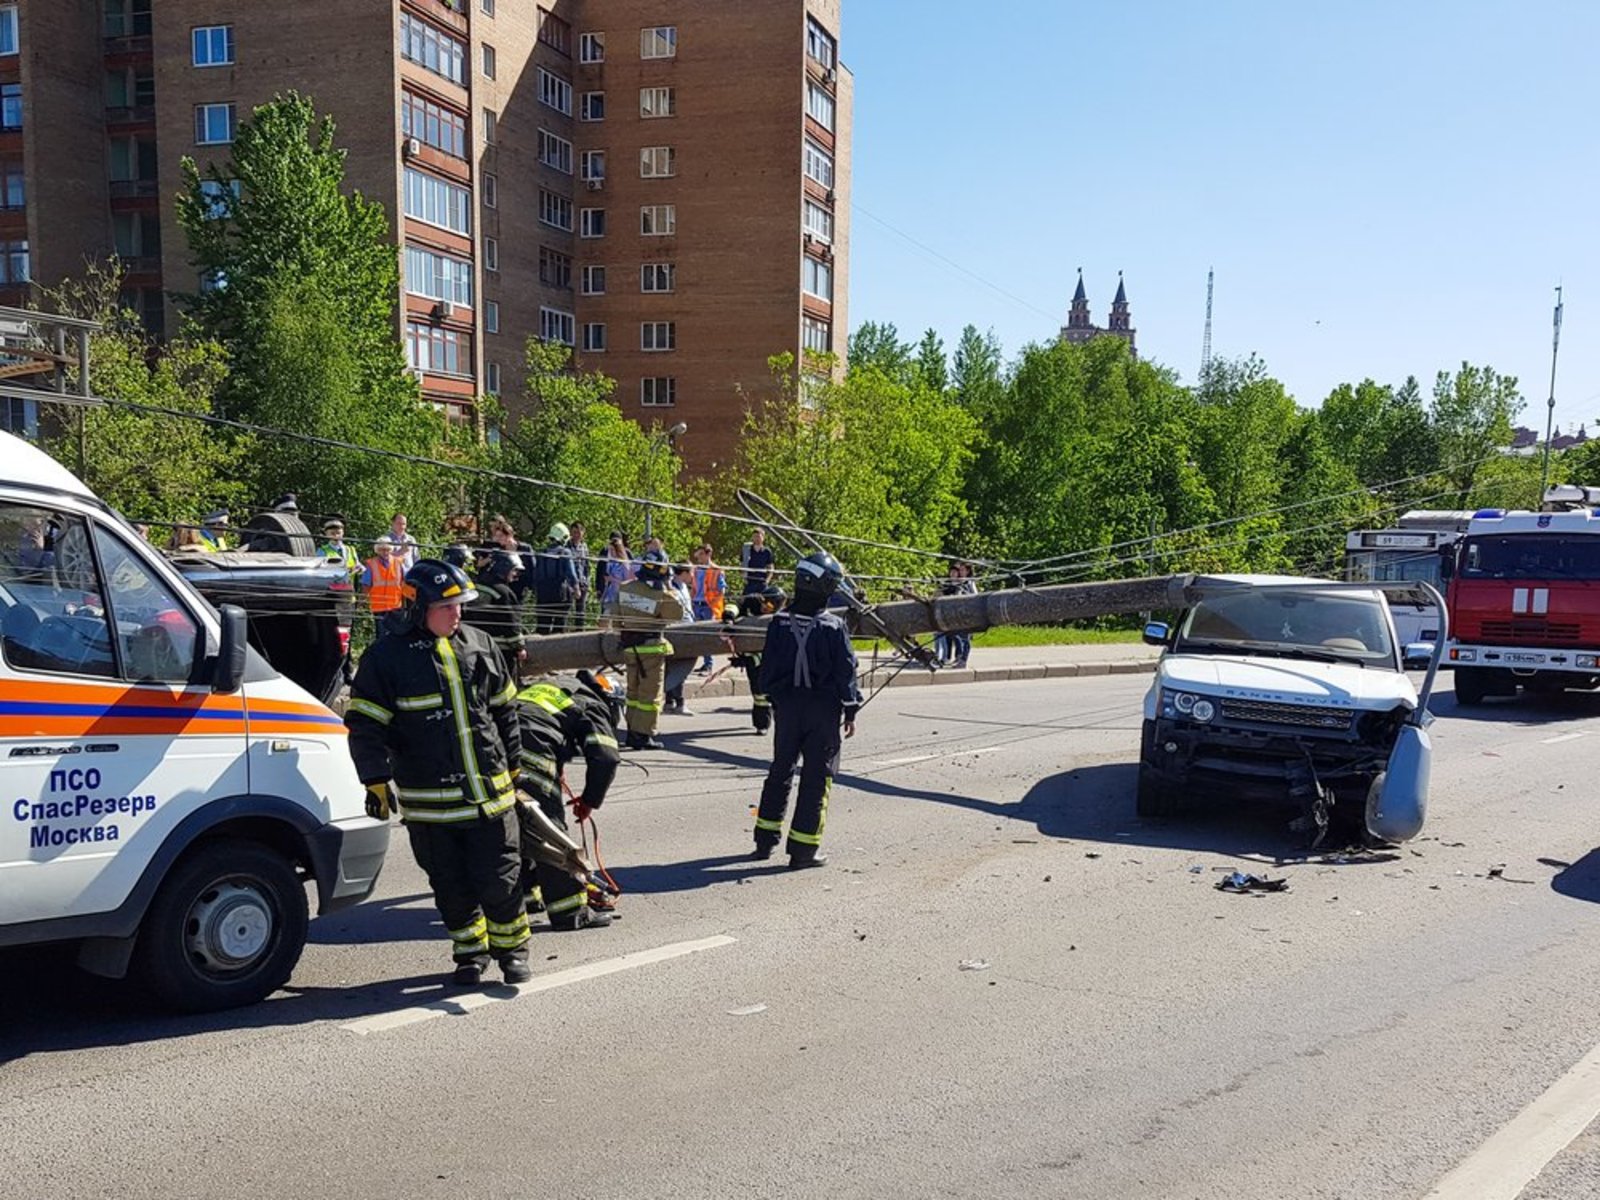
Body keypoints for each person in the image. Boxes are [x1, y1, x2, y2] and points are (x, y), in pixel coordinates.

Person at [345, 559, 530, 986]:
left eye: (460, 606)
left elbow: (506, 712)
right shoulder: (385, 660)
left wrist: (516, 767)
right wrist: (373, 778)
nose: (458, 614)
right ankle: (470, 953)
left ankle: (512, 952)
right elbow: (365, 726)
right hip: (430, 809)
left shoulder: (481, 644)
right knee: (450, 886)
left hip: (490, 799)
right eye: (447, 607)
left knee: (501, 880)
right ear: (417, 608)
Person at [753, 552, 861, 869]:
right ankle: (803, 850)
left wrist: (777, 701)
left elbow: (767, 671)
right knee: (817, 778)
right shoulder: (833, 626)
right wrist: (851, 710)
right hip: (822, 712)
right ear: (826, 588)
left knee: (779, 771)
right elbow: (846, 672)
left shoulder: (779, 623)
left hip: (787, 708)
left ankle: (764, 840)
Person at [514, 670, 622, 930]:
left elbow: (542, 724)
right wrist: (589, 801)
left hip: (495, 751)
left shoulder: (553, 686)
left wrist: (557, 768)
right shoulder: (592, 703)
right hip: (530, 757)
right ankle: (570, 911)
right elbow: (606, 757)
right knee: (549, 832)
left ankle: (526, 897)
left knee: (517, 826)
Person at [615, 549, 684, 750]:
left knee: (633, 693)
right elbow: (676, 616)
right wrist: (669, 588)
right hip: (651, 649)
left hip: (630, 649)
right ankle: (644, 735)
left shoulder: (625, 589)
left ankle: (631, 732)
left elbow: (615, 618)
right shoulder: (661, 595)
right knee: (650, 696)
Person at [730, 584, 784, 735]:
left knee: (769, 693)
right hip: (750, 656)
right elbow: (735, 604)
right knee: (758, 692)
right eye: (764, 603)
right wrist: (729, 616)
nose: (766, 608)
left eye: (770, 606)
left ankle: (772, 723)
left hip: (769, 659)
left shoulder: (780, 618)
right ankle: (763, 722)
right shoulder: (751, 601)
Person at [532, 523, 581, 636]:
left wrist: (535, 590)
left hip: (543, 593)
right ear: (564, 538)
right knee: (559, 625)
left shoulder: (541, 553)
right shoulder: (565, 553)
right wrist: (576, 588)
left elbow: (535, 574)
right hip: (560, 594)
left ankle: (540, 650)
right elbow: (571, 573)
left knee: (542, 626)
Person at [663, 563, 697, 716]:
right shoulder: (671, 588)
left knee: (674, 667)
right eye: (691, 573)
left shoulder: (682, 587)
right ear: (683, 573)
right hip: (678, 631)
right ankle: (678, 702)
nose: (692, 576)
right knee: (680, 667)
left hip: (687, 628)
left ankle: (670, 702)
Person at [691, 544, 727, 673]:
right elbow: (694, 587)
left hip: (708, 606)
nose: (698, 557)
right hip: (696, 604)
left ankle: (709, 664)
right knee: (699, 636)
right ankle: (703, 663)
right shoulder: (696, 569)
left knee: (707, 635)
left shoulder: (717, 570)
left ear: (708, 554)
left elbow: (722, 590)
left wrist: (714, 605)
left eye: (701, 554)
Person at [361, 535, 405, 615]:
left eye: (387, 549)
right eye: (382, 550)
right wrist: (362, 600)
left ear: (391, 549)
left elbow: (405, 583)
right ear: (377, 550)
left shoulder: (398, 563)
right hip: (378, 607)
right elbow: (366, 585)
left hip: (396, 606)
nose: (385, 552)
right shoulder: (371, 564)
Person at [598, 532, 635, 618]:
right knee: (605, 616)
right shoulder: (611, 561)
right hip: (609, 593)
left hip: (622, 594)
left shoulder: (625, 564)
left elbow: (629, 580)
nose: (611, 552)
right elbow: (600, 571)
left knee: (618, 618)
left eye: (612, 550)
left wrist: (612, 579)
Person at [568, 521, 592, 628]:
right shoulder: (567, 546)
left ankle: (579, 633)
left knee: (581, 611)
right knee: (567, 609)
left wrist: (587, 581)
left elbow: (587, 565)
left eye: (579, 532)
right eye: (574, 532)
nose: (576, 535)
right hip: (570, 583)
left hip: (583, 582)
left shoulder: (584, 546)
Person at [741, 528, 775, 599]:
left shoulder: (767, 551)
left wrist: (767, 581)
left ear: (763, 538)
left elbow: (771, 567)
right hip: (750, 581)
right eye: (755, 536)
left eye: (758, 537)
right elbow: (742, 564)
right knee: (744, 601)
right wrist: (743, 577)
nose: (756, 539)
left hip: (762, 581)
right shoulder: (747, 550)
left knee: (764, 602)